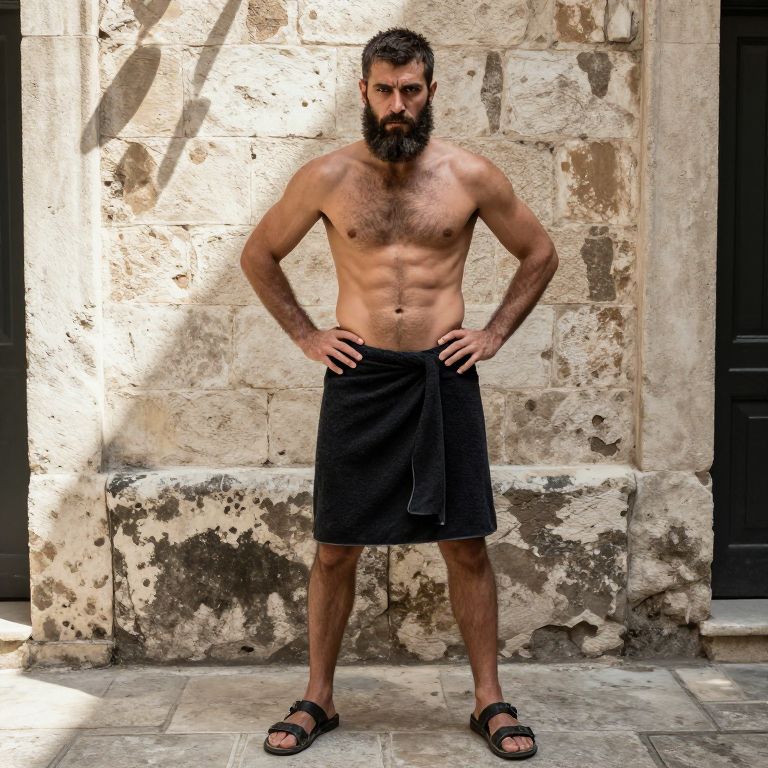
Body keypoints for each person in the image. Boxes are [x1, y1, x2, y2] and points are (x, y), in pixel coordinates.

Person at [241, 26, 557, 760]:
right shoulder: (325, 176)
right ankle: (318, 696)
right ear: (363, 90)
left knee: (465, 543)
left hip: (442, 375)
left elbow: (540, 253)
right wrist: (307, 335)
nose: (396, 105)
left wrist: (494, 333)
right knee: (335, 548)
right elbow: (259, 255)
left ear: (431, 91)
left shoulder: (470, 175)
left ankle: (489, 699)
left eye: (410, 90)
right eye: (383, 90)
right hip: (361, 378)